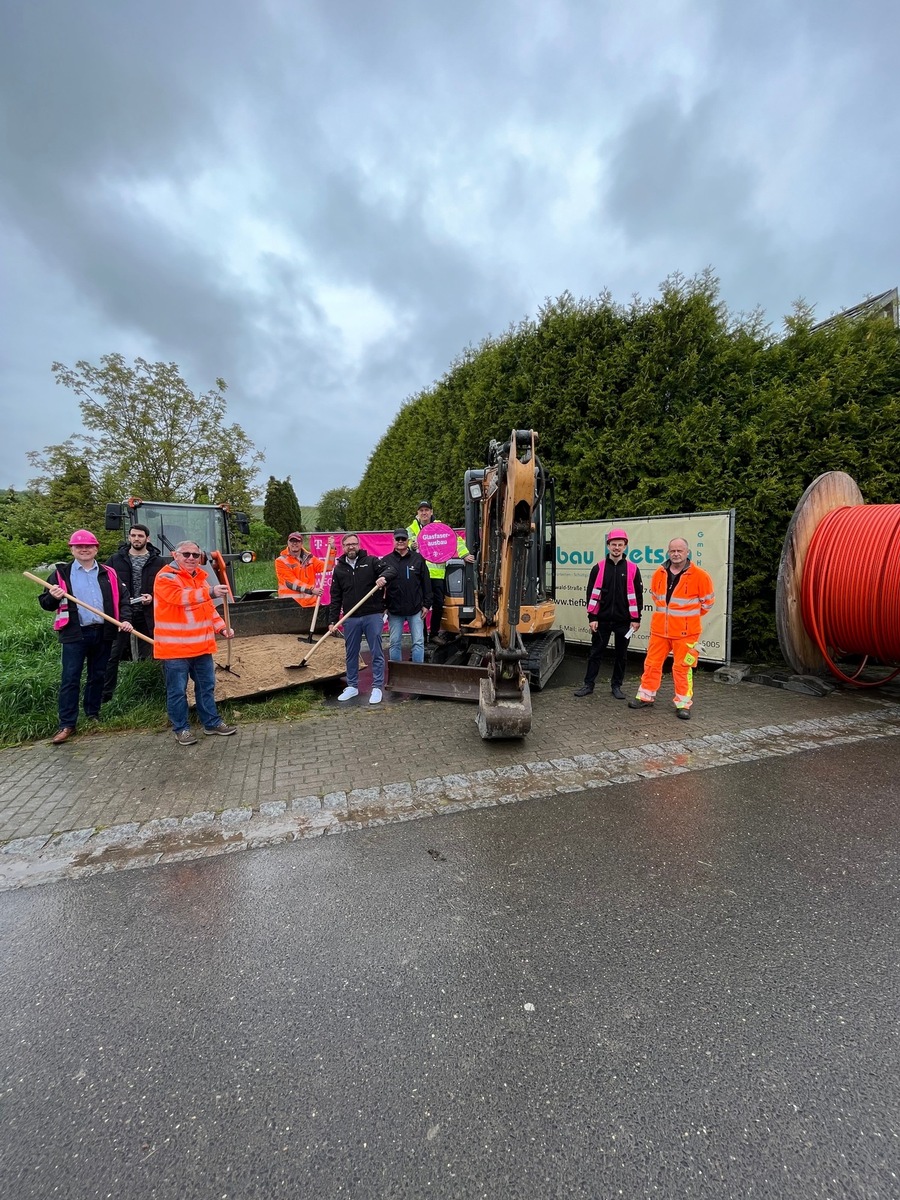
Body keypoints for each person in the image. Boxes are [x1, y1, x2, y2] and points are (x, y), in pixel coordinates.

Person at [39, 529, 134, 745]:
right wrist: (53, 598)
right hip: (75, 633)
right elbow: (46, 604)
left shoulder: (109, 572)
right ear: (72, 549)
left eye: (88, 546)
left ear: (96, 549)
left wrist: (126, 619)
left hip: (103, 631)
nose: (84, 549)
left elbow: (124, 599)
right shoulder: (61, 574)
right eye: (79, 546)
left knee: (98, 675)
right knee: (70, 678)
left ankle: (92, 714)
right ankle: (67, 724)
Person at [152, 540, 238, 745]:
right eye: (186, 554)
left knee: (206, 687)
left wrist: (222, 627)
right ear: (175, 555)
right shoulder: (165, 577)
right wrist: (211, 592)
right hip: (175, 650)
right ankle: (181, 729)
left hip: (201, 648)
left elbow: (208, 609)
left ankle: (211, 723)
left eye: (195, 555)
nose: (191, 558)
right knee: (177, 692)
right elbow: (180, 598)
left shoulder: (201, 578)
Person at [628, 538, 715, 720]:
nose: (676, 554)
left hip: (686, 634)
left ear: (687, 552)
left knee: (682, 668)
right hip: (660, 631)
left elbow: (707, 604)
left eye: (680, 551)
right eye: (673, 550)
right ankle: (646, 696)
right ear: (668, 552)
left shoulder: (700, 575)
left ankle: (683, 704)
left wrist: (685, 620)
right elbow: (657, 599)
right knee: (651, 665)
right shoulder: (659, 573)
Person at [573, 528, 643, 701]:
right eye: (613, 544)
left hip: (624, 622)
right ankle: (588, 685)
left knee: (621, 655)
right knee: (595, 653)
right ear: (608, 546)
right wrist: (592, 617)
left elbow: (638, 596)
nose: (617, 548)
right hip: (601, 620)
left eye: (620, 545)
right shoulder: (598, 568)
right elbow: (591, 594)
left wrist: (636, 619)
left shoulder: (633, 569)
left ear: (625, 546)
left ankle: (616, 686)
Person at [327, 533, 395, 705]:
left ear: (359, 545)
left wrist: (383, 577)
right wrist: (332, 621)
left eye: (354, 544)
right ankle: (352, 686)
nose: (351, 547)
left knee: (376, 652)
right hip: (351, 618)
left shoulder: (371, 562)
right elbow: (335, 596)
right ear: (343, 547)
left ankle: (377, 687)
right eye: (348, 544)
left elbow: (391, 570)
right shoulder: (340, 568)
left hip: (372, 615)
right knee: (351, 653)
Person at [102, 523, 165, 702]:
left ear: (148, 539)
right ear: (129, 537)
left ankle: (152, 692)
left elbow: (166, 587)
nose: (136, 539)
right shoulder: (115, 560)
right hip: (123, 615)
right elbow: (105, 583)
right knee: (112, 654)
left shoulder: (158, 562)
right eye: (133, 535)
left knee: (153, 653)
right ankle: (106, 697)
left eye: (140, 536)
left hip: (148, 614)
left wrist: (152, 597)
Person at [407, 500, 474, 641]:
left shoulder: (440, 526)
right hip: (419, 574)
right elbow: (402, 544)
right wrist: (411, 545)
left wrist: (465, 554)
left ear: (431, 512)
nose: (424, 513)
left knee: (438, 604)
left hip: (437, 573)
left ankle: (434, 634)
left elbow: (455, 540)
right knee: (421, 606)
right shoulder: (411, 529)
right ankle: (421, 636)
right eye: (421, 510)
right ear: (417, 513)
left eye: (426, 510)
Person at [383, 528, 432, 665]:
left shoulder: (418, 559)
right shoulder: (386, 561)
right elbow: (380, 587)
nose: (400, 541)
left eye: (403, 539)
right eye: (397, 539)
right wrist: (384, 606)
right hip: (394, 610)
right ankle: (397, 674)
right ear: (393, 541)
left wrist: (427, 604)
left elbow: (426, 583)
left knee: (418, 642)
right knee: (394, 643)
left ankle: (417, 673)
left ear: (407, 540)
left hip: (415, 609)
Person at [275, 532, 325, 606]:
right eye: (292, 541)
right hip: (290, 606)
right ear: (288, 543)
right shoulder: (281, 561)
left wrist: (332, 550)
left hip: (310, 605)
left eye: (297, 541)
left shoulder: (310, 559)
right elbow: (291, 583)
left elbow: (328, 566)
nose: (294, 543)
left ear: (301, 543)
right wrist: (311, 590)